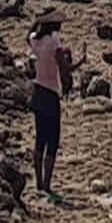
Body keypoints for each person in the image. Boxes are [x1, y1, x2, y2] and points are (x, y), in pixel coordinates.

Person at [28, 13, 73, 198]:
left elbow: (28, 34)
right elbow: (63, 68)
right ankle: (47, 184)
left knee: (40, 139)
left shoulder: (35, 41)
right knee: (52, 140)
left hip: (37, 91)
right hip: (51, 93)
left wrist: (37, 22)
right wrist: (70, 78)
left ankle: (38, 181)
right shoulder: (55, 42)